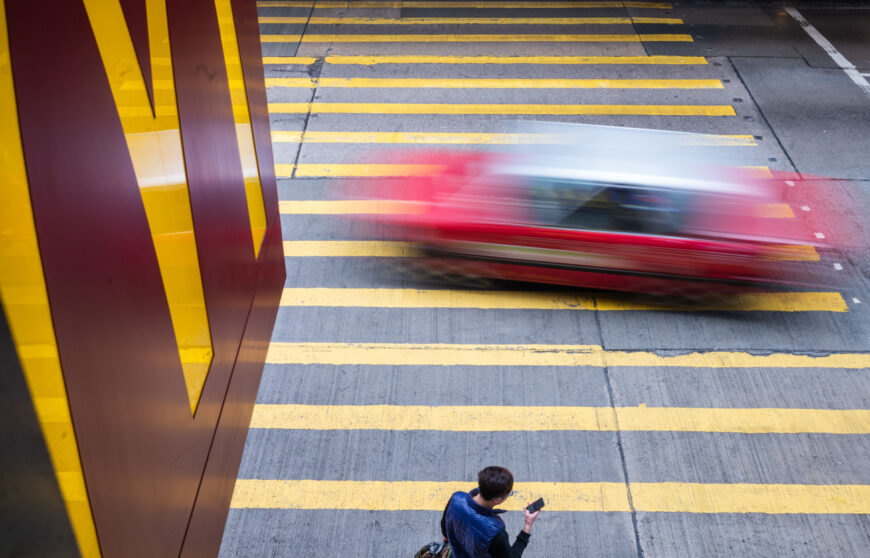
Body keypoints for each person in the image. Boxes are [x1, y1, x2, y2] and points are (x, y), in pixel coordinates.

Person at [440, 466, 541, 558]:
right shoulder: (496, 531)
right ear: (497, 500)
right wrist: (527, 526)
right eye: (509, 493)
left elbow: (445, 525)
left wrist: (446, 539)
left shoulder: (456, 498)